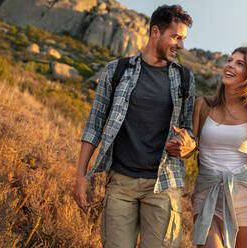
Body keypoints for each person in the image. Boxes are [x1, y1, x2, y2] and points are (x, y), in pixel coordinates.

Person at [73, 5, 196, 248]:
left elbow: (188, 132)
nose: (180, 45)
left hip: (164, 186)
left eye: (183, 39)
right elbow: (94, 125)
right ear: (155, 32)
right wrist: (81, 176)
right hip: (121, 184)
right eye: (175, 36)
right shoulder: (116, 70)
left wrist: (188, 145)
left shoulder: (184, 78)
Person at [192, 47, 247, 248]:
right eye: (230, 60)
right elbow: (189, 146)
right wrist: (181, 143)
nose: (230, 65)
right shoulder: (202, 106)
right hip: (207, 192)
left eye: (239, 63)